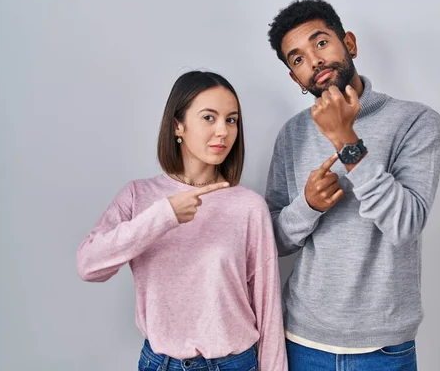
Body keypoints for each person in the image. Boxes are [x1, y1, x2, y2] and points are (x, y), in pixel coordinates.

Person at [265, 0, 440, 370]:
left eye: (320, 42)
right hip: (302, 341)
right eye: (297, 59)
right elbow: (272, 242)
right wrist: (308, 205)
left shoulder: (416, 122)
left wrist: (346, 140)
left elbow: (404, 225)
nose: (313, 61)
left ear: (349, 43)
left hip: (384, 348)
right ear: (295, 79)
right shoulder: (292, 135)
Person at [76, 70, 287, 371]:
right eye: (208, 117)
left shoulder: (249, 206)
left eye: (231, 120)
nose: (223, 131)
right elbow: (88, 265)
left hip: (234, 364)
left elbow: (268, 308)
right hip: (160, 364)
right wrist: (164, 216)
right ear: (178, 125)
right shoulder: (139, 196)